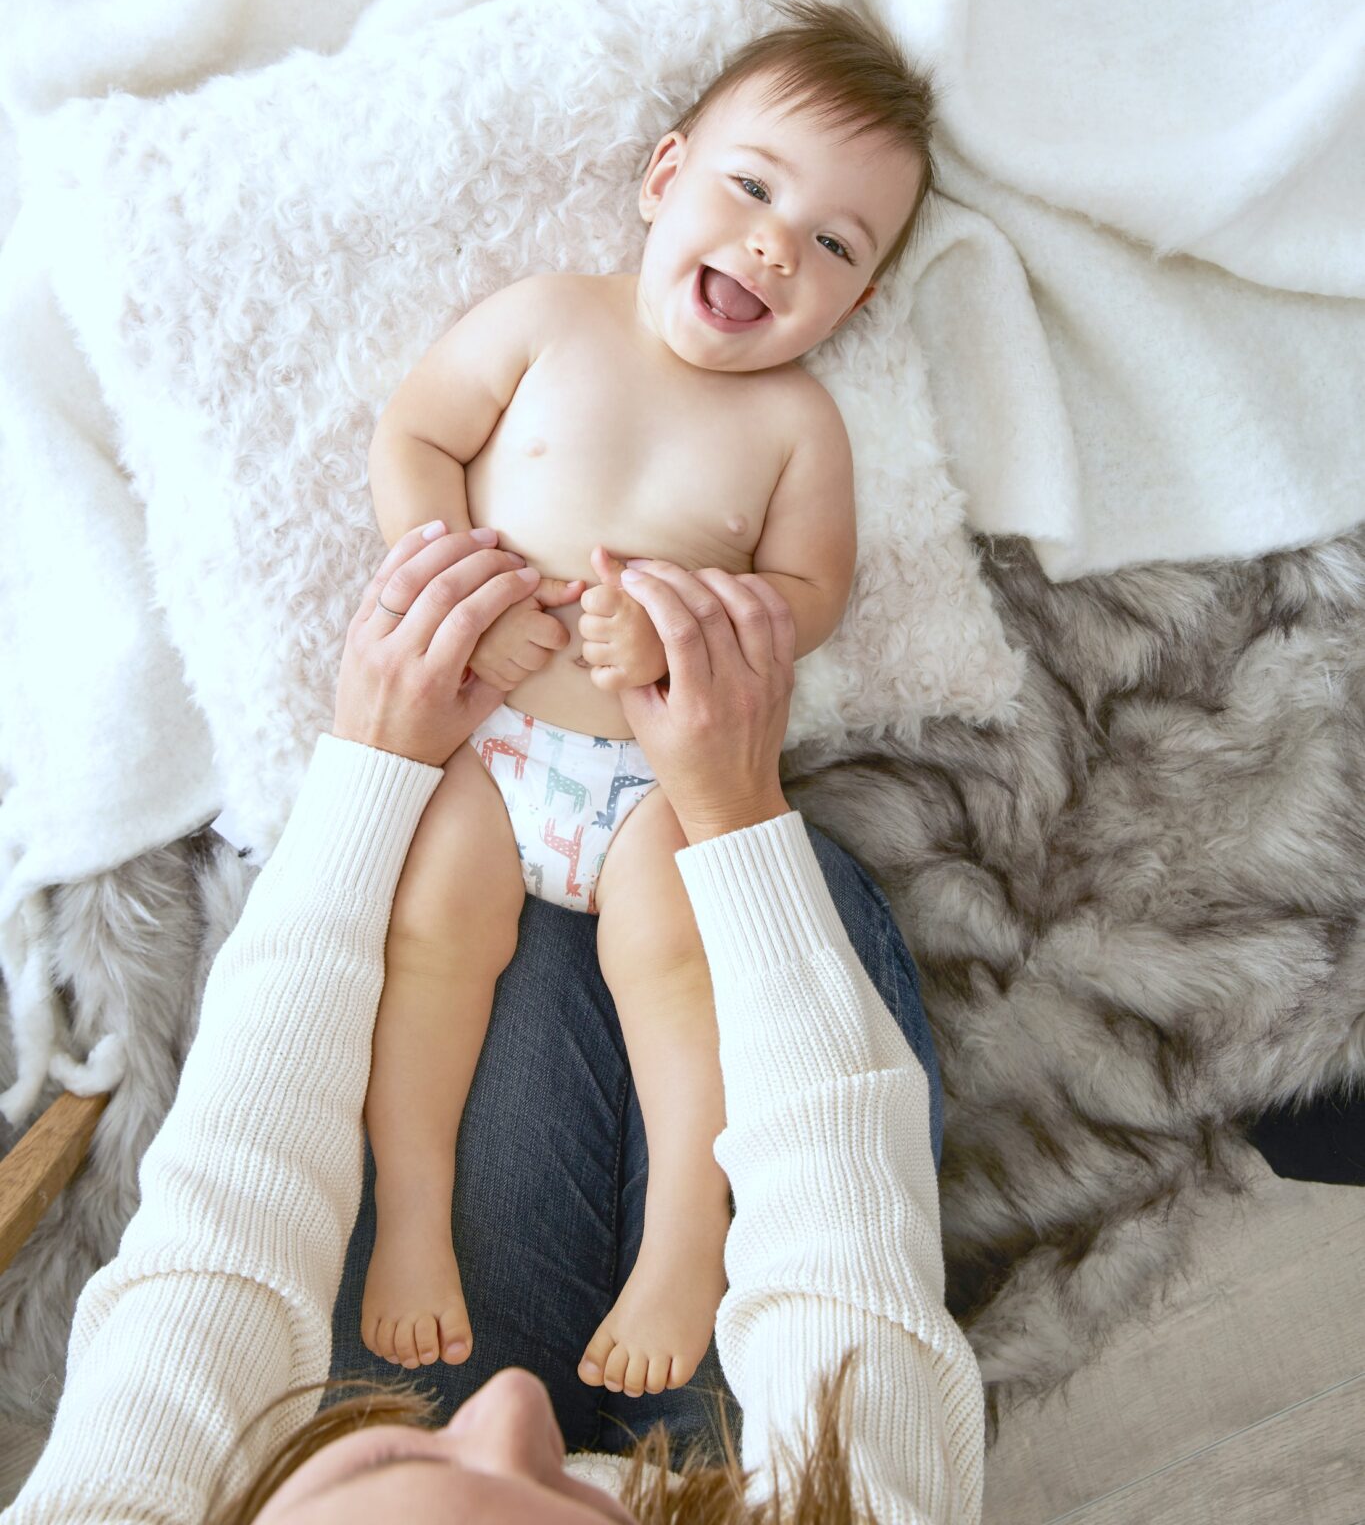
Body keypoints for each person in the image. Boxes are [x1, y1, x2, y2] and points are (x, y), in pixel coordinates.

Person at [7, 523, 983, 1524]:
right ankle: (683, 1219)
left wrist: (373, 758)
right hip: (642, 827)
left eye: (369, 1468)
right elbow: (844, 1247)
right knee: (755, 885)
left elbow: (229, 1213)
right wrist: (737, 809)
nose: (508, 1408)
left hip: (516, 817)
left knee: (456, 899)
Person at [360, 1, 939, 1394]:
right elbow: (418, 432)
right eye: (751, 187)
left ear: (854, 306)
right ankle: (414, 1223)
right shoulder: (551, 320)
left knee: (682, 975)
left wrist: (691, 629)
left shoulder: (797, 424)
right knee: (429, 944)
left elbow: (809, 591)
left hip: (653, 782)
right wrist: (455, 579)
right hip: (488, 744)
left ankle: (687, 1234)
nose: (771, 247)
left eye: (833, 246)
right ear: (663, 174)